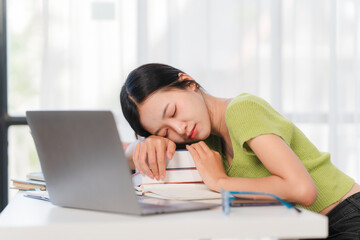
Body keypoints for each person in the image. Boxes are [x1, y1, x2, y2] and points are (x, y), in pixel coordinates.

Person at [120, 63, 360, 239]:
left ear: (188, 82)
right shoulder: (204, 138)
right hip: (304, 229)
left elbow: (302, 190)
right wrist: (142, 145)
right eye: (164, 132)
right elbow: (116, 153)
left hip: (345, 217)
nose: (179, 128)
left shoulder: (242, 110)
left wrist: (220, 181)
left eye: (172, 112)